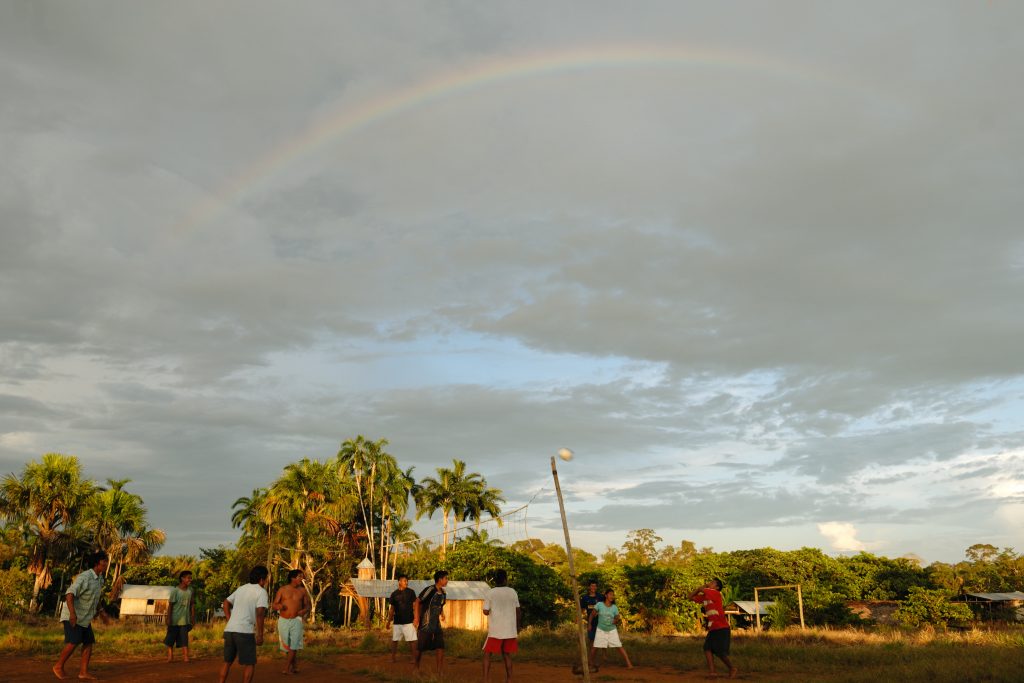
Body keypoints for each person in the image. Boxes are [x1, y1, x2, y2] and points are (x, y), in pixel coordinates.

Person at [53, 551, 109, 681]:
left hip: (85, 618)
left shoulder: (100, 578)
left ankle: (83, 672)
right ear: (96, 563)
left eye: (106, 561)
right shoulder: (85, 577)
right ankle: (58, 666)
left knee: (88, 642)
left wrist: (102, 612)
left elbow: (95, 598)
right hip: (73, 614)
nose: (106, 564)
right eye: (104, 561)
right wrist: (72, 614)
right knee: (74, 641)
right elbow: (70, 594)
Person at [219, 565, 269, 683]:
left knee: (227, 662)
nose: (267, 580)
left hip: (230, 630)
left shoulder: (241, 588)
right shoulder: (261, 592)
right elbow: (260, 613)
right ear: (262, 579)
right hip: (244, 632)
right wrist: (260, 634)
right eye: (266, 578)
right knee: (250, 663)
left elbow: (226, 602)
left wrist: (230, 619)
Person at [689, 578, 737, 679]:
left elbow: (702, 589)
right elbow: (690, 597)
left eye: (712, 583)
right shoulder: (706, 596)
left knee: (720, 653)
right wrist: (698, 589)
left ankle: (732, 668)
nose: (710, 583)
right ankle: (712, 672)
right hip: (713, 628)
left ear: (717, 587)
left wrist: (702, 587)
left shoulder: (715, 593)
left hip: (721, 627)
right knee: (707, 648)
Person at [482, 568, 521, 683]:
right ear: (505, 579)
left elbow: (485, 611)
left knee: (487, 654)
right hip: (510, 629)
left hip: (496, 630)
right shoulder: (512, 592)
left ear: (495, 580)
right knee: (507, 654)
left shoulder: (490, 592)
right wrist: (518, 627)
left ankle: (485, 679)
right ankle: (509, 680)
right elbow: (518, 611)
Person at [272, 569, 310, 675]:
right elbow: (274, 604)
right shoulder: (282, 589)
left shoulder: (303, 591)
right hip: (283, 620)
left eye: (302, 576)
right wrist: (279, 606)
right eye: (299, 576)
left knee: (294, 645)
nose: (302, 579)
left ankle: (286, 668)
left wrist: (303, 611)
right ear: (293, 578)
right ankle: (295, 666)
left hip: (296, 620)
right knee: (287, 646)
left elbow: (307, 606)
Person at [414, 570, 448, 674]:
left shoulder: (443, 593)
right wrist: (416, 618)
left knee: (440, 646)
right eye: (446, 578)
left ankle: (439, 671)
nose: (447, 580)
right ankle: (416, 667)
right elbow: (417, 601)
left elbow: (440, 605)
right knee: (420, 647)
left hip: (436, 624)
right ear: (440, 580)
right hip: (426, 623)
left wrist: (442, 614)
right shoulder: (430, 590)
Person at [588, 589, 632, 669]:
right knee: (595, 647)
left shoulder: (614, 607)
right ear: (606, 595)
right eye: (610, 594)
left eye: (613, 595)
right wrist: (589, 624)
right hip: (601, 630)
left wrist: (616, 620)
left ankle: (629, 664)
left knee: (619, 646)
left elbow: (617, 617)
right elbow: (592, 614)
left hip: (612, 630)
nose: (612, 596)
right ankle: (590, 663)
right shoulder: (599, 604)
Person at [164, 570, 196, 663]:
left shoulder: (190, 591)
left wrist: (192, 616)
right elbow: (170, 605)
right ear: (182, 579)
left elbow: (192, 604)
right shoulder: (175, 591)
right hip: (174, 619)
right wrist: (168, 618)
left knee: (184, 638)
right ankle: (170, 656)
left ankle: (186, 656)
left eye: (191, 578)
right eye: (188, 578)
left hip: (185, 620)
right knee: (171, 638)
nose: (190, 580)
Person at [387, 574, 418, 664]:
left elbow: (415, 606)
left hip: (409, 621)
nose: (406, 582)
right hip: (397, 621)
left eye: (407, 581)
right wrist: (388, 621)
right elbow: (392, 609)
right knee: (395, 640)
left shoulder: (411, 592)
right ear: (399, 582)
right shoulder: (394, 594)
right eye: (404, 581)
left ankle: (414, 658)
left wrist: (416, 618)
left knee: (412, 640)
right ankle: (393, 658)